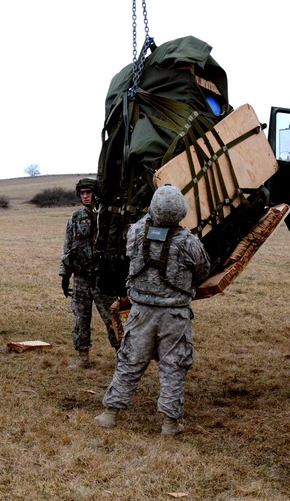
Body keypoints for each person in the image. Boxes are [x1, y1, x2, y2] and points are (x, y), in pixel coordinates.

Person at [95, 185, 210, 436]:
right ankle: (169, 423)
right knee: (173, 366)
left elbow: (130, 247)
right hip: (175, 316)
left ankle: (110, 413)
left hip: (141, 313)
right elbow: (203, 270)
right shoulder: (190, 243)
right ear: (181, 211)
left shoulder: (136, 233)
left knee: (129, 361)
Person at [59, 177, 120, 369]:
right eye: (82, 193)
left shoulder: (108, 217)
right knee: (81, 319)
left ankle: (123, 357)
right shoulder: (75, 219)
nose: (86, 196)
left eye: (89, 193)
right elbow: (67, 248)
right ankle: (83, 358)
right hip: (81, 278)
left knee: (113, 318)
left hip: (104, 278)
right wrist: (64, 275)